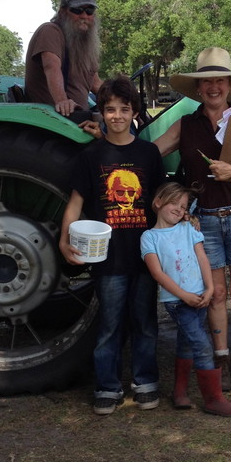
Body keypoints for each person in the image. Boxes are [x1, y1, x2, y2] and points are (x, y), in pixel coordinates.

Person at [154, 47, 231, 395]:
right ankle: (220, 360)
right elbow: (151, 151)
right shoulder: (186, 125)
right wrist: (111, 139)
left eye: (219, 80)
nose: (213, 87)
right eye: (206, 81)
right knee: (216, 292)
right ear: (198, 88)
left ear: (229, 85)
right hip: (202, 219)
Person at [59, 75, 166, 416]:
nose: (117, 115)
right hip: (108, 258)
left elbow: (162, 201)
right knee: (109, 324)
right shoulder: (92, 157)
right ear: (101, 113)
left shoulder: (148, 153)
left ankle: (146, 381)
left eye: (124, 109)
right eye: (110, 109)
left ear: (134, 112)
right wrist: (64, 239)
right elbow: (75, 203)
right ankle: (107, 386)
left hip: (145, 255)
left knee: (146, 321)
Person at [141, 183, 231, 418]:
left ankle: (180, 393)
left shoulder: (188, 228)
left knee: (186, 343)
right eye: (173, 203)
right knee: (202, 345)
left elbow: (202, 258)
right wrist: (183, 295)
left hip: (200, 297)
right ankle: (214, 399)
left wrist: (209, 288)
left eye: (184, 206)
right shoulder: (149, 237)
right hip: (178, 302)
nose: (179, 209)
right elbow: (158, 273)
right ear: (157, 202)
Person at [25, 0, 102, 120]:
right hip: (56, 118)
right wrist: (62, 100)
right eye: (77, 10)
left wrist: (124, 99)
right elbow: (51, 67)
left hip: (80, 116)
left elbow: (96, 84)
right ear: (62, 12)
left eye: (89, 11)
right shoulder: (50, 31)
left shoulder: (83, 44)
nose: (84, 15)